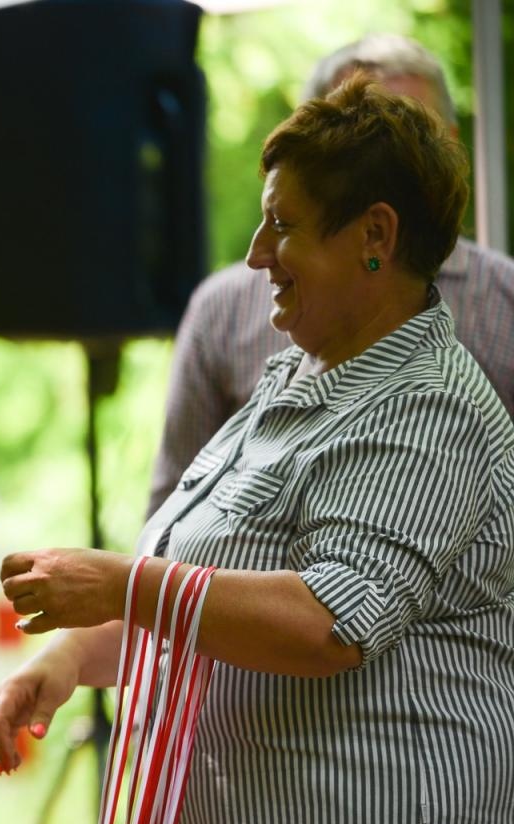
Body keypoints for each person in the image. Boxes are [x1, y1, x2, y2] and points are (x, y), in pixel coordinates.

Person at [0, 79, 514, 824]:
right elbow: (199, 596)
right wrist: (63, 665)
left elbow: (329, 623)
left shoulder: (429, 409)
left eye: (285, 225)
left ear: (376, 235)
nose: (255, 255)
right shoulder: (296, 381)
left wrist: (125, 585)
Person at [149, 34, 514, 514]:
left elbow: (353, 565)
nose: (258, 256)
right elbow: (174, 503)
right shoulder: (225, 313)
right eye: (353, 145)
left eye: (411, 142)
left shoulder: (471, 348)